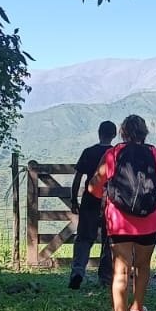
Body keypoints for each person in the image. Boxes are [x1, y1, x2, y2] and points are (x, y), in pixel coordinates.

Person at [89, 115, 156, 311]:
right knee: (142, 265)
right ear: (144, 132)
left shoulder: (113, 154)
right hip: (149, 220)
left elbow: (93, 187)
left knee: (120, 270)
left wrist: (107, 199)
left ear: (123, 132)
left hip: (119, 221)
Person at [69, 120, 117, 289]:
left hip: (89, 199)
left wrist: (74, 199)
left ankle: (78, 271)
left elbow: (78, 178)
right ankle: (105, 277)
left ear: (99, 133)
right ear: (114, 135)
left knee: (83, 237)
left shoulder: (88, 152)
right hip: (110, 201)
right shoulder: (115, 154)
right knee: (108, 239)